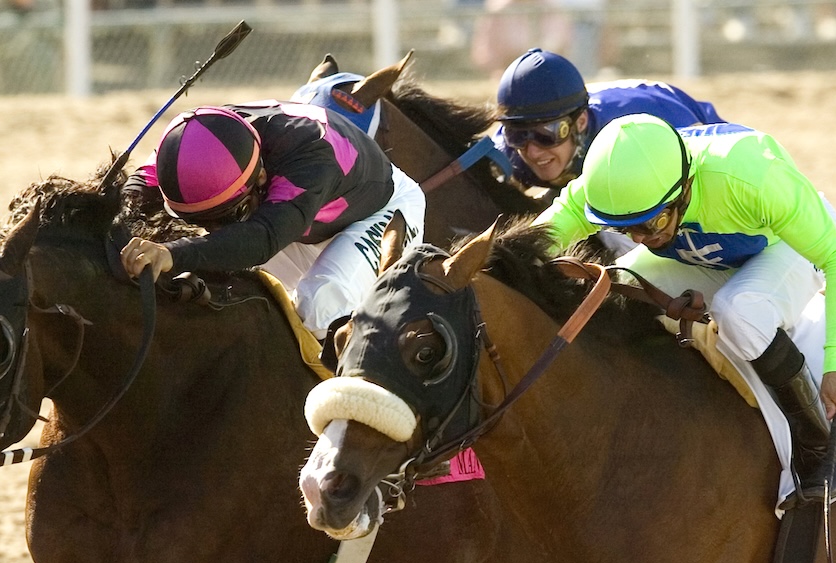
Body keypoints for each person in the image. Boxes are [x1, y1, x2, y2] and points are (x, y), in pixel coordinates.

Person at [533, 113, 836, 505]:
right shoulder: (603, 186)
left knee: (739, 310)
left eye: (652, 221)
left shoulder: (752, 176)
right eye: (627, 229)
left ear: (686, 188)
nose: (641, 238)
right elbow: (538, 241)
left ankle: (824, 452)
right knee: (615, 289)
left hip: (784, 247)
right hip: (712, 255)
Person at [119, 102, 426, 345]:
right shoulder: (191, 140)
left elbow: (263, 238)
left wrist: (172, 252)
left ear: (261, 175)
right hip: (300, 220)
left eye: (228, 216)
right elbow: (134, 191)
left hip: (378, 211)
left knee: (320, 305)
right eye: (201, 221)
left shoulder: (310, 157)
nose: (215, 229)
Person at [493, 48, 723, 193]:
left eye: (547, 133)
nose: (532, 152)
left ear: (580, 122)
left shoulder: (639, 132)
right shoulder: (507, 153)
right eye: (517, 134)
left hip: (703, 141)